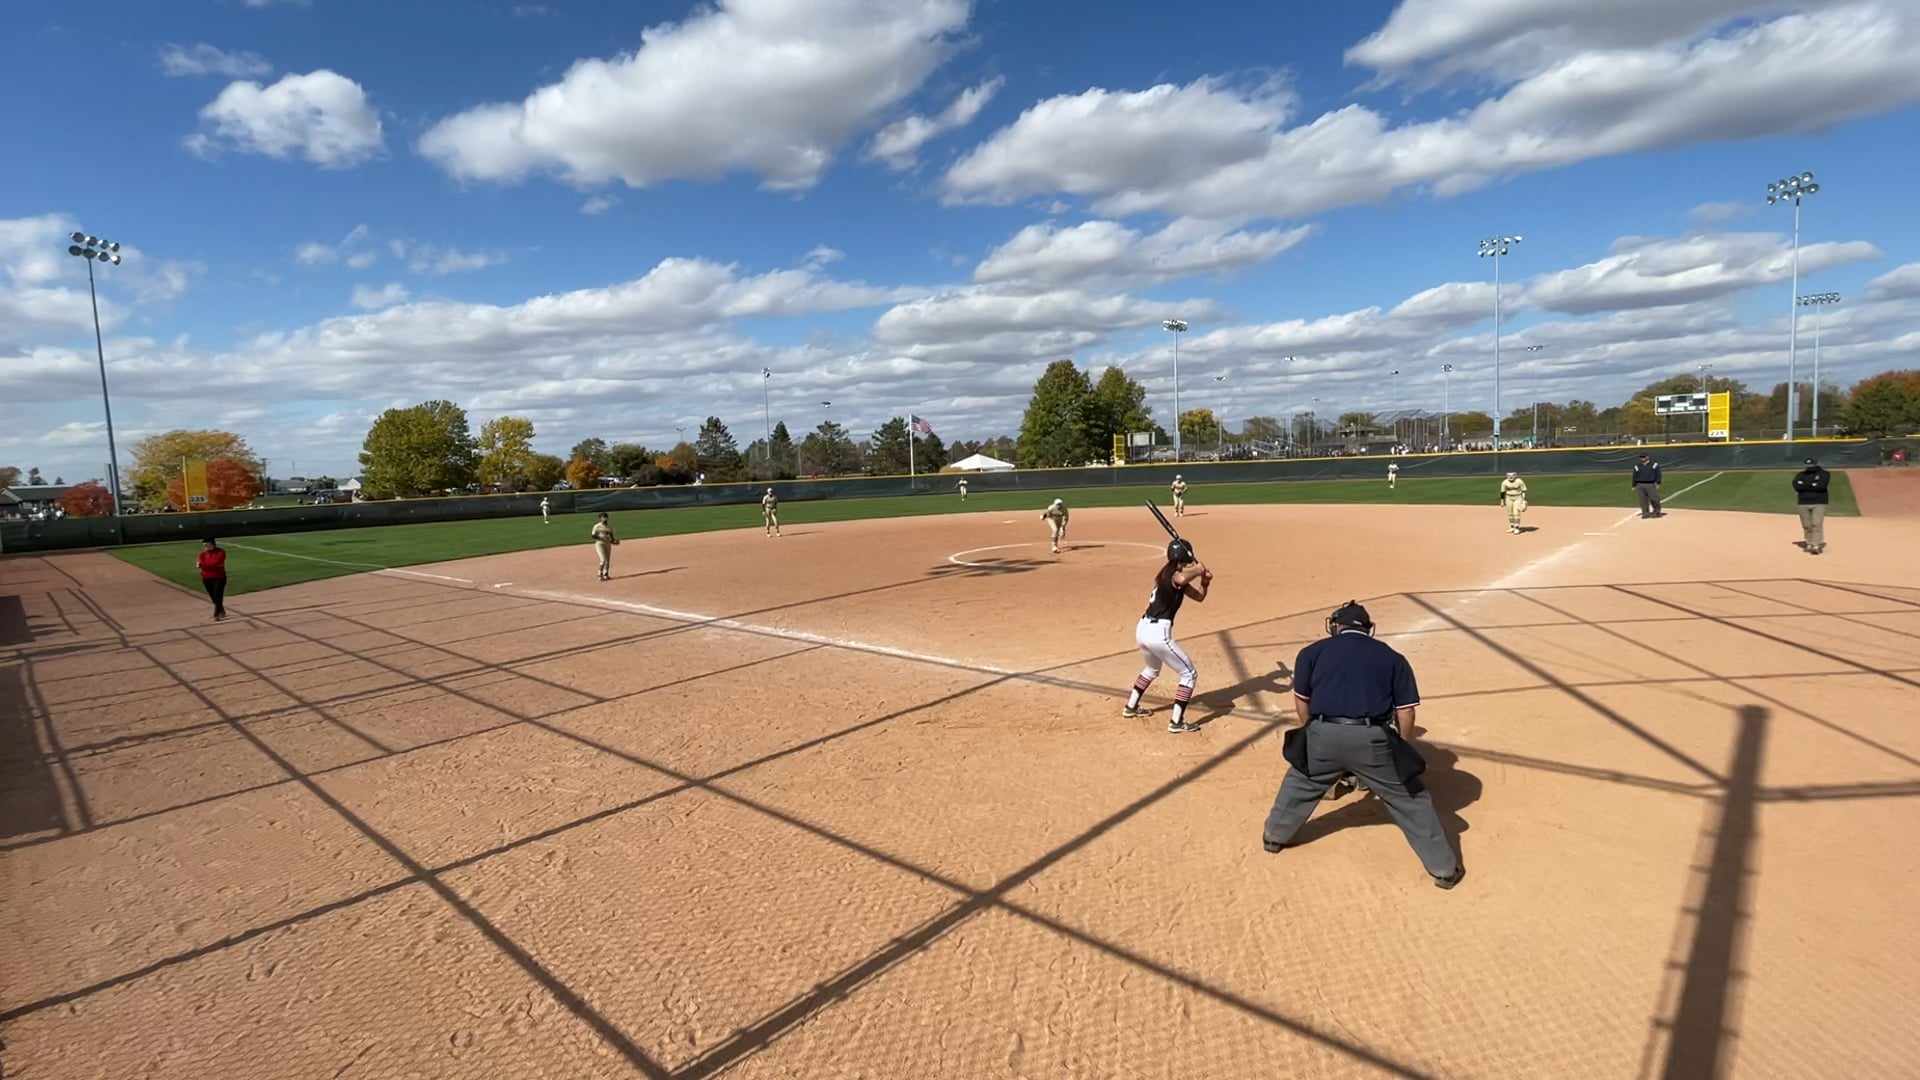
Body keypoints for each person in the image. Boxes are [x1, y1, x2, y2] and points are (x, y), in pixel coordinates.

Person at [1261, 601, 1464, 889]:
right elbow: (1406, 711)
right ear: (1368, 629)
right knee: (1410, 798)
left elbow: (1302, 701)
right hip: (1371, 740)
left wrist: (1312, 733)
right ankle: (1443, 869)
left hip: (1323, 733)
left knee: (1302, 780)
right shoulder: (1392, 657)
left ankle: (1274, 837)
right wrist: (1401, 747)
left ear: (1336, 626)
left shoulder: (1312, 652)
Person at [1123, 539, 1211, 734]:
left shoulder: (1166, 574)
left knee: (1151, 670)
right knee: (1189, 674)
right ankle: (1176, 722)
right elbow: (1181, 578)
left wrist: (1205, 582)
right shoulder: (1173, 574)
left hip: (1143, 629)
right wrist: (1198, 570)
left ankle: (1131, 706)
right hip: (1157, 633)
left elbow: (1199, 597)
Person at [1793, 457, 1830, 554]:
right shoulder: (1800, 474)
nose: (1809, 467)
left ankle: (1816, 544)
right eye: (1807, 465)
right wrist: (1812, 485)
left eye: (1811, 465)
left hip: (1819, 502)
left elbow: (1821, 486)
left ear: (1816, 464)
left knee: (1816, 524)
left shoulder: (1824, 474)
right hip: (1803, 502)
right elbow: (1796, 486)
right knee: (1806, 525)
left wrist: (1804, 485)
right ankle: (1809, 542)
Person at [197, 537, 228, 621]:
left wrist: (203, 565)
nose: (205, 547)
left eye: (207, 545)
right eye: (204, 545)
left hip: (219, 577)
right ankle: (221, 609)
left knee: (218, 595)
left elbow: (216, 563)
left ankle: (216, 614)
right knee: (213, 596)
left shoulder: (221, 552)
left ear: (212, 544)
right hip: (206, 578)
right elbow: (202, 564)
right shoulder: (202, 554)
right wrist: (205, 566)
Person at [1632, 453, 1664, 518]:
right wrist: (1633, 485)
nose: (1642, 458)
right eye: (1641, 457)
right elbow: (1634, 475)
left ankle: (1656, 512)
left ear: (1647, 457)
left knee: (1654, 499)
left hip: (1650, 484)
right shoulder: (1637, 466)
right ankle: (1645, 513)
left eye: (1643, 457)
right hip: (1640, 484)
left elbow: (1658, 474)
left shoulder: (1654, 465)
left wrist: (1658, 483)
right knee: (1642, 500)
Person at [590, 513, 618, 580]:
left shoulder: (609, 527)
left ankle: (606, 574)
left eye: (605, 517)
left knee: (607, 560)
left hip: (607, 544)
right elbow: (593, 535)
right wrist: (601, 538)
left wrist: (614, 542)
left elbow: (612, 537)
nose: (604, 519)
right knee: (603, 560)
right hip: (599, 544)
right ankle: (599, 574)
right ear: (600, 518)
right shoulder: (597, 526)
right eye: (602, 517)